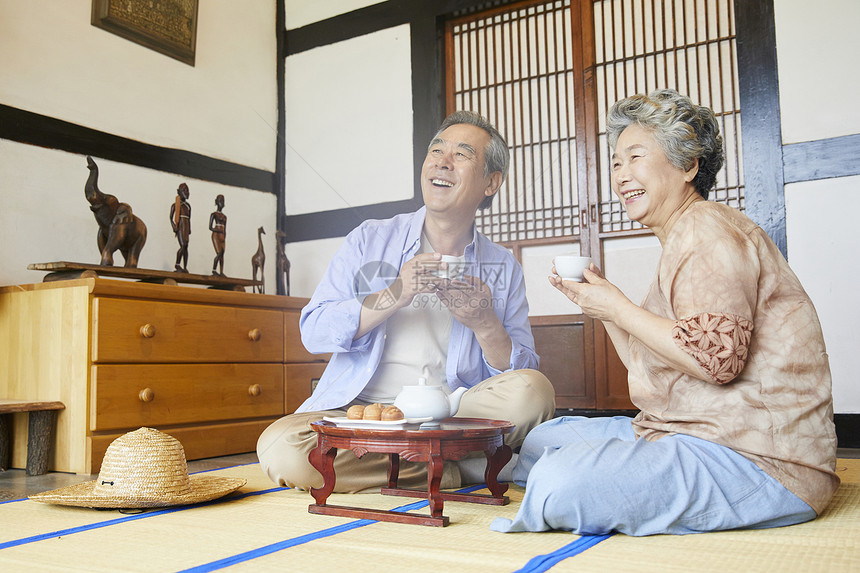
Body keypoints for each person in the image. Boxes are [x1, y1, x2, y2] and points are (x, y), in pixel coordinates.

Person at [491, 89, 839, 536]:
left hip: (758, 459)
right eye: (616, 163)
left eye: (636, 158)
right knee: (541, 442)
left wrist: (618, 306)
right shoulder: (683, 236)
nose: (621, 176)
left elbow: (716, 361)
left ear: (688, 166)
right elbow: (653, 361)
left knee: (559, 482)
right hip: (684, 432)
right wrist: (605, 308)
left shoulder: (706, 229)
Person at [257, 111, 556, 492]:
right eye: (436, 150)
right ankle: (459, 471)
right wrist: (396, 292)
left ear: (491, 182)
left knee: (534, 391)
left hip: (452, 414)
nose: (441, 162)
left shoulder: (502, 265)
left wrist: (485, 324)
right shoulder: (370, 239)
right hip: (363, 413)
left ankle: (420, 464)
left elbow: (521, 372)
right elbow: (313, 332)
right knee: (281, 448)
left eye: (461, 155)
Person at [170, 183, 191, 272]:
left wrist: (189, 228)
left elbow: (189, 218)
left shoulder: (188, 206)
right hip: (180, 225)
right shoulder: (175, 205)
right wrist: (174, 226)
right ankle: (177, 264)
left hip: (186, 226)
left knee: (186, 247)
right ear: (180, 192)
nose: (187, 192)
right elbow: (170, 217)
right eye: (184, 190)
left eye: (187, 190)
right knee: (183, 245)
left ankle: (185, 267)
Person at [209, 194, 227, 276]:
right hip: (216, 234)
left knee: (222, 254)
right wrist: (217, 230)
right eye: (220, 201)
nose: (222, 203)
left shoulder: (224, 216)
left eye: (223, 201)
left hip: (222, 235)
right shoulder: (214, 214)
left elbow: (225, 228)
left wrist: (224, 236)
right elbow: (210, 227)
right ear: (217, 202)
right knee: (219, 253)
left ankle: (221, 272)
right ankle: (214, 270)